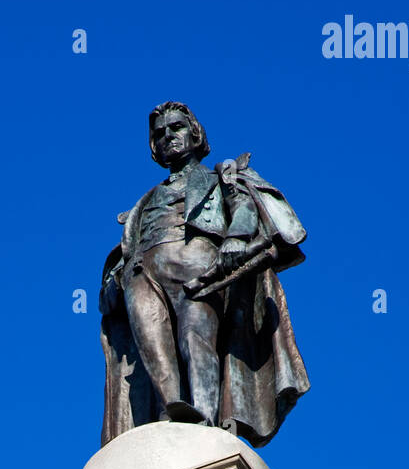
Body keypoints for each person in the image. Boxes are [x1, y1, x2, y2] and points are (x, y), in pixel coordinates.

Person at [100, 102, 310, 448]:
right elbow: (128, 245)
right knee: (153, 346)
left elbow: (244, 207)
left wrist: (235, 239)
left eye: (176, 128)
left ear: (194, 133)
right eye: (159, 133)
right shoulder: (147, 198)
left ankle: (205, 422)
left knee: (196, 341)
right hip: (141, 273)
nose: (168, 136)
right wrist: (116, 276)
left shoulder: (220, 175)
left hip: (198, 267)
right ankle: (172, 412)